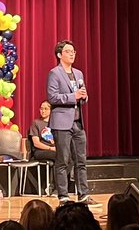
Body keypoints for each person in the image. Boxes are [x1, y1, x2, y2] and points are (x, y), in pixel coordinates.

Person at [47, 39, 93, 205]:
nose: (72, 54)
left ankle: (84, 195)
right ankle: (64, 196)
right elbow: (52, 97)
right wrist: (73, 96)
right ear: (59, 55)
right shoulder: (54, 73)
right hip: (61, 123)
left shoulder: (79, 74)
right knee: (63, 161)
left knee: (81, 161)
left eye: (73, 51)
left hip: (78, 123)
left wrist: (84, 96)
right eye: (68, 51)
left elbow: (82, 95)